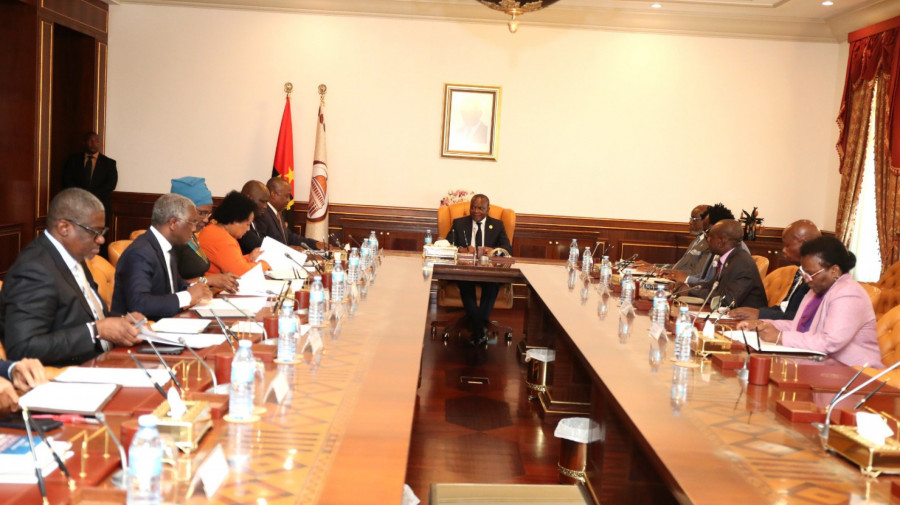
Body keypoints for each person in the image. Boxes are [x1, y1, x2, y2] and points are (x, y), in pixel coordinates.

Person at [0, 188, 143, 366]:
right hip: (67, 375)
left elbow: (84, 316)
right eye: (94, 232)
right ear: (64, 228)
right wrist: (97, 331)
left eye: (102, 232)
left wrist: (122, 322)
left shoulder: (74, 255)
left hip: (104, 360)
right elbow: (23, 348)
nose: (101, 240)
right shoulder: (33, 269)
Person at [738, 236, 883, 368]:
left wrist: (779, 337)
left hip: (853, 375)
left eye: (811, 274)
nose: (807, 279)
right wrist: (762, 325)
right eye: (804, 273)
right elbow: (798, 326)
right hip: (818, 366)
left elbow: (830, 342)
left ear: (834, 271)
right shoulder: (816, 290)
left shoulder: (849, 294)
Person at [111, 194, 213, 320]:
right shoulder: (140, 253)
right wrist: (187, 296)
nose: (193, 228)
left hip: (167, 324)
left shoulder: (166, 246)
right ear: (173, 223)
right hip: (143, 331)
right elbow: (139, 304)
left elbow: (175, 285)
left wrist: (197, 288)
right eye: (191, 222)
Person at [445, 194, 512, 346]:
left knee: (492, 285)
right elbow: (447, 244)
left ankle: (476, 328)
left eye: (480, 208)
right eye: (473, 207)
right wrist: (461, 249)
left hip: (489, 272)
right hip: (465, 270)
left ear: (488, 210)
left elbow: (508, 248)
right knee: (465, 284)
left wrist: (492, 249)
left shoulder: (497, 225)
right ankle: (480, 328)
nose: (476, 211)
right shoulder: (459, 223)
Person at [730, 220, 821, 321]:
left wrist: (760, 314)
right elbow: (784, 308)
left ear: (805, 244)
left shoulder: (818, 278)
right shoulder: (801, 272)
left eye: (787, 245)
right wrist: (754, 311)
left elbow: (799, 318)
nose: (783, 250)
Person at [169, 177, 239, 291]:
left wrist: (220, 280)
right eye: (201, 213)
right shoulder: (172, 242)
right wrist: (210, 280)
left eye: (208, 213)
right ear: (182, 210)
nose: (206, 220)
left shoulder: (192, 235)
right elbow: (172, 286)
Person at [685, 219, 767, 309]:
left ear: (720, 243)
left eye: (710, 237)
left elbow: (726, 300)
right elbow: (710, 286)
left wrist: (688, 292)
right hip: (729, 314)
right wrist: (686, 287)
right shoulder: (731, 258)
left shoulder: (742, 264)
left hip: (747, 320)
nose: (707, 240)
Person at [660, 203, 747, 285]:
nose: (705, 235)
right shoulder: (719, 247)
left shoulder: (738, 254)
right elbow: (706, 280)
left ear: (719, 228)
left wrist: (687, 280)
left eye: (707, 231)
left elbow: (713, 285)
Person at [198, 191, 269, 276]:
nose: (248, 229)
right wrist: (264, 264)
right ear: (236, 220)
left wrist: (249, 257)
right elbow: (241, 273)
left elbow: (230, 262)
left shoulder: (214, 230)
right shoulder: (222, 239)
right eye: (247, 224)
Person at [61, 132, 118, 220]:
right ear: (84, 142)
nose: (93, 144)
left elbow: (111, 184)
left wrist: (91, 196)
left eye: (96, 141)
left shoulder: (109, 163)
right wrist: (81, 195)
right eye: (90, 141)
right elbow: (67, 180)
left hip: (99, 206)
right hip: (77, 206)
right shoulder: (73, 160)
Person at [262, 177, 325, 250]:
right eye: (286, 196)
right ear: (273, 194)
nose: (289, 200)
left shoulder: (277, 213)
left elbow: (290, 237)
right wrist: (288, 249)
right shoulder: (263, 214)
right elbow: (262, 244)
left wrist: (315, 244)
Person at [237, 180, 270, 255]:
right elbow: (257, 245)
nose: (265, 206)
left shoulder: (254, 215)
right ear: (249, 198)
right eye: (262, 201)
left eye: (266, 202)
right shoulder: (238, 215)